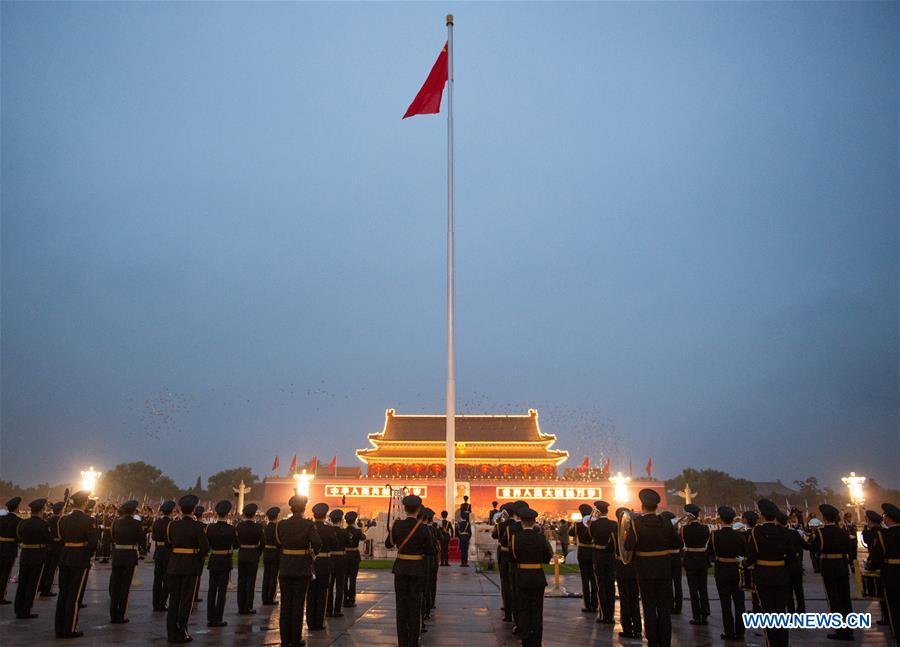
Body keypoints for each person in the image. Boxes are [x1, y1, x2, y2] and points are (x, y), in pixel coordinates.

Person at [624, 488, 680, 647]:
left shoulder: (636, 524)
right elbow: (677, 544)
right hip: (663, 569)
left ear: (642, 506)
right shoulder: (666, 523)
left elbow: (628, 546)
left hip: (644, 570)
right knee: (664, 607)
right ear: (656, 507)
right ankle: (665, 641)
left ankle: (652, 640)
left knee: (648, 606)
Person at [384, 494, 434, 647]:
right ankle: (413, 642)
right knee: (414, 606)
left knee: (401, 606)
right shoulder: (423, 528)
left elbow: (388, 544)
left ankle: (402, 642)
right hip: (417, 570)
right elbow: (430, 551)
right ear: (418, 509)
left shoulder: (397, 525)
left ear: (404, 508)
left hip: (400, 569)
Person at [746, 498, 796, 647]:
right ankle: (783, 643)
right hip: (781, 574)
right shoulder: (784, 531)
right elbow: (792, 555)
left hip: (764, 575)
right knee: (781, 611)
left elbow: (752, 555)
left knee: (768, 611)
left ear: (761, 515)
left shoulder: (757, 531)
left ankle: (772, 643)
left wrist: (745, 563)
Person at [276, 495, 321, 647]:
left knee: (285, 604)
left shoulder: (282, 524)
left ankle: (284, 639)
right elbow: (317, 543)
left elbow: (278, 542)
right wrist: (312, 555)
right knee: (298, 603)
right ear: (304, 508)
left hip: (285, 567)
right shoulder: (308, 525)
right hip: (302, 567)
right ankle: (295, 639)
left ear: (291, 508)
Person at [165, 493, 210, 644]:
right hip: (190, 565)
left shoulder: (172, 525)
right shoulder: (198, 526)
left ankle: (171, 633)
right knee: (186, 600)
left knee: (174, 600)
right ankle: (182, 631)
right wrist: (197, 558)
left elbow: (170, 542)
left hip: (174, 564)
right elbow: (204, 548)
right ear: (193, 509)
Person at [54, 490, 99, 639]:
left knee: (63, 594)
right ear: (85, 503)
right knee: (74, 596)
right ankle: (69, 628)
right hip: (79, 559)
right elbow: (93, 543)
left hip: (65, 557)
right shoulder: (88, 520)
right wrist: (85, 549)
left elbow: (61, 538)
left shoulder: (63, 520)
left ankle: (59, 627)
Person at [808, 503, 854, 641]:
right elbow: (849, 549)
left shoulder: (821, 533)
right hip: (842, 566)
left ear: (824, 518)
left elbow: (814, 548)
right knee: (845, 598)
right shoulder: (843, 531)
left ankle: (840, 631)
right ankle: (849, 628)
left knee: (834, 599)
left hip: (829, 567)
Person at [511, 506, 553, 647]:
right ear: (534, 522)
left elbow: (513, 557)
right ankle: (536, 640)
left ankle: (525, 639)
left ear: (521, 522)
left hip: (522, 576)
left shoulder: (515, 538)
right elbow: (548, 556)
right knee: (537, 610)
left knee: (523, 609)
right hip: (537, 577)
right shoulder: (540, 538)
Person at [708, 505, 746, 641]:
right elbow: (745, 553)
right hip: (737, 571)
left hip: (722, 570)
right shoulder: (740, 536)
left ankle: (728, 632)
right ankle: (740, 631)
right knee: (739, 603)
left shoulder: (715, 535)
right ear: (732, 519)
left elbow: (710, 553)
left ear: (720, 519)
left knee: (725, 603)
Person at [866, 503, 899, 644]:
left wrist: (870, 566)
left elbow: (877, 558)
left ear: (889, 519)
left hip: (891, 574)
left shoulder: (884, 535)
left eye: (885, 516)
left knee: (894, 608)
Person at [108, 499, 145, 624]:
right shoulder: (136, 523)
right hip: (129, 556)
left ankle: (113, 615)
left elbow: (112, 537)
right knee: (125, 586)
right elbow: (142, 540)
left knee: (115, 585)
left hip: (117, 555)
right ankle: (121, 614)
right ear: (134, 511)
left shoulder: (116, 522)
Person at [13, 498, 51, 619]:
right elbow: (48, 539)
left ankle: (18, 608)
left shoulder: (23, 523)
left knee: (22, 582)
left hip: (25, 554)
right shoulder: (43, 524)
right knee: (32, 584)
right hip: (37, 555)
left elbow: (19, 536)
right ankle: (26, 610)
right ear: (41, 510)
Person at [205, 500, 238, 627]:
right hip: (225, 560)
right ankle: (218, 618)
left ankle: (210, 617)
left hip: (213, 559)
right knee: (222, 591)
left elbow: (207, 544)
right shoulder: (231, 529)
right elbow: (236, 545)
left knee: (212, 589)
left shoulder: (210, 527)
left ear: (216, 513)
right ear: (228, 513)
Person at [612, 507, 642, 639]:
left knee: (625, 600)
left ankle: (627, 629)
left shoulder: (615, 531)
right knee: (634, 599)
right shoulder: (636, 529)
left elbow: (609, 548)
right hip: (634, 569)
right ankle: (638, 628)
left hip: (622, 568)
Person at [306, 502, 336, 631]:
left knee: (311, 593)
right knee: (322, 593)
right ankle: (319, 622)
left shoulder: (308, 527)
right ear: (325, 515)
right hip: (324, 562)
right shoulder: (329, 529)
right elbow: (335, 545)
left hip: (311, 562)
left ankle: (310, 622)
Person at [680, 503, 710, 625]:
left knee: (693, 589)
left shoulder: (684, 529)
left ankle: (696, 616)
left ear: (688, 515)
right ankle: (705, 613)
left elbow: (681, 542)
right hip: (702, 559)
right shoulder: (705, 528)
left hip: (691, 559)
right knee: (703, 588)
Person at [589, 500, 617, 624]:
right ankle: (610, 615)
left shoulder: (593, 525)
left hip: (598, 556)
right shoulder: (614, 524)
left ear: (597, 511)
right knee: (610, 584)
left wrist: (592, 519)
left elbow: (589, 535)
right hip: (610, 556)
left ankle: (603, 614)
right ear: (607, 511)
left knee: (600, 584)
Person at [861, 509, 888, 626]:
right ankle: (887, 616)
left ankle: (886, 617)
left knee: (883, 594)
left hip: (878, 563)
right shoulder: (883, 531)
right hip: (886, 564)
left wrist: (870, 565)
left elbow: (866, 540)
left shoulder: (871, 532)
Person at [569, 503, 597, 613]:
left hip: (583, 553)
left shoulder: (578, 524)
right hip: (593, 552)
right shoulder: (595, 524)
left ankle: (587, 604)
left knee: (585, 580)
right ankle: (595, 604)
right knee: (594, 580)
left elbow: (571, 533)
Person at [235, 503, 263, 614]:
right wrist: (257, 552)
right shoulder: (258, 527)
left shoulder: (239, 526)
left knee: (241, 581)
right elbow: (263, 543)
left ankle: (241, 606)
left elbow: (236, 541)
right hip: (253, 554)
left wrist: (241, 547)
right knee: (251, 582)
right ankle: (248, 607)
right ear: (254, 514)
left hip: (242, 554)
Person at [491, 502, 515, 622]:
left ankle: (507, 612)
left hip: (504, 554)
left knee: (505, 584)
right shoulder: (517, 525)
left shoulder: (500, 525)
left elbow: (494, 536)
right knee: (515, 584)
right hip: (515, 557)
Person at [778, 511, 806, 613]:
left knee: (788, 592)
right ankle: (802, 612)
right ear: (787, 521)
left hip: (784, 565)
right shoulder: (794, 533)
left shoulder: (777, 534)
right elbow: (805, 546)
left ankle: (791, 613)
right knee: (799, 591)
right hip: (796, 564)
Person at [151, 500, 176, 612]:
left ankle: (155, 603)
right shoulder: (172, 523)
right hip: (168, 552)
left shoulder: (157, 522)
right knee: (167, 580)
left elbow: (154, 537)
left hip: (158, 552)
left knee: (157, 579)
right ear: (171, 512)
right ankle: (162, 603)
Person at [660, 510, 684, 615]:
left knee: (668, 584)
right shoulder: (677, 532)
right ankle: (678, 606)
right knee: (678, 584)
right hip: (676, 558)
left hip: (666, 558)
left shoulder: (663, 533)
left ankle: (670, 605)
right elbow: (681, 545)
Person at [0, 496, 23, 605]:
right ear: (17, 508)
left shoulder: (1, 518)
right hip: (10, 548)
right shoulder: (19, 521)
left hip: (0, 546)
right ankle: (1, 596)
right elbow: (19, 537)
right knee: (5, 574)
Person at [327, 508, 348, 617]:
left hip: (330, 559)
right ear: (341, 519)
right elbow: (349, 543)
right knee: (340, 585)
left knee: (329, 586)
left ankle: (328, 609)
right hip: (341, 559)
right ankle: (337, 609)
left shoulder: (328, 531)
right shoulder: (344, 532)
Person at [343, 511, 364, 607]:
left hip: (345, 555)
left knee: (344, 578)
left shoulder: (343, 531)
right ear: (354, 520)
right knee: (353, 579)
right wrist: (358, 528)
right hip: (354, 555)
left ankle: (345, 597)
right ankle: (352, 598)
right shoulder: (358, 531)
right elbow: (363, 538)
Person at [261, 506, 281, 606]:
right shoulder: (277, 528)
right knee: (273, 577)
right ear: (276, 516)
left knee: (266, 576)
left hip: (266, 552)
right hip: (275, 553)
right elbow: (279, 542)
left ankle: (264, 597)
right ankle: (270, 598)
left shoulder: (265, 527)